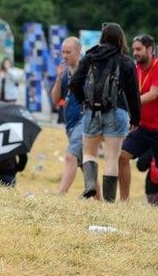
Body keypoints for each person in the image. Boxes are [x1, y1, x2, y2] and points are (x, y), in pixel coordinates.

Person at [69, 23, 140, 202]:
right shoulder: (126, 61)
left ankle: (90, 184)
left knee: (89, 153)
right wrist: (136, 118)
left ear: (103, 37)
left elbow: (75, 83)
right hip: (117, 112)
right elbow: (133, 93)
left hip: (92, 112)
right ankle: (108, 202)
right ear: (121, 38)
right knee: (111, 158)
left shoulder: (90, 57)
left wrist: (84, 101)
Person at [117, 35, 158, 207]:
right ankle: (124, 201)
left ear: (150, 50)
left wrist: (129, 103)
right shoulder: (134, 68)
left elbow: (152, 94)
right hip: (143, 127)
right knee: (122, 157)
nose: (135, 53)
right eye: (134, 49)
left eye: (139, 49)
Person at [51, 37, 101, 199]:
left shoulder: (87, 71)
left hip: (84, 120)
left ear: (78, 52)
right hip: (71, 124)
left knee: (71, 156)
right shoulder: (64, 72)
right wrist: (59, 79)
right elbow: (55, 99)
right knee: (86, 164)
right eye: (63, 52)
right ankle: (101, 202)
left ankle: (60, 193)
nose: (64, 55)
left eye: (68, 52)